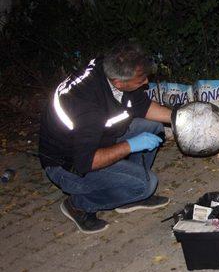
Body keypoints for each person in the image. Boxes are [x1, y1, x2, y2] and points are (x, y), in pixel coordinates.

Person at [39, 44, 174, 233]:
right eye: (141, 80)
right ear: (118, 83)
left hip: (97, 139)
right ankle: (79, 205)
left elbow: (141, 105)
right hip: (69, 165)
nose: (146, 83)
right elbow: (86, 162)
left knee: (152, 126)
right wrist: (130, 145)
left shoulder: (109, 66)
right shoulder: (88, 108)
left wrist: (179, 117)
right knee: (146, 184)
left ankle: (131, 195)